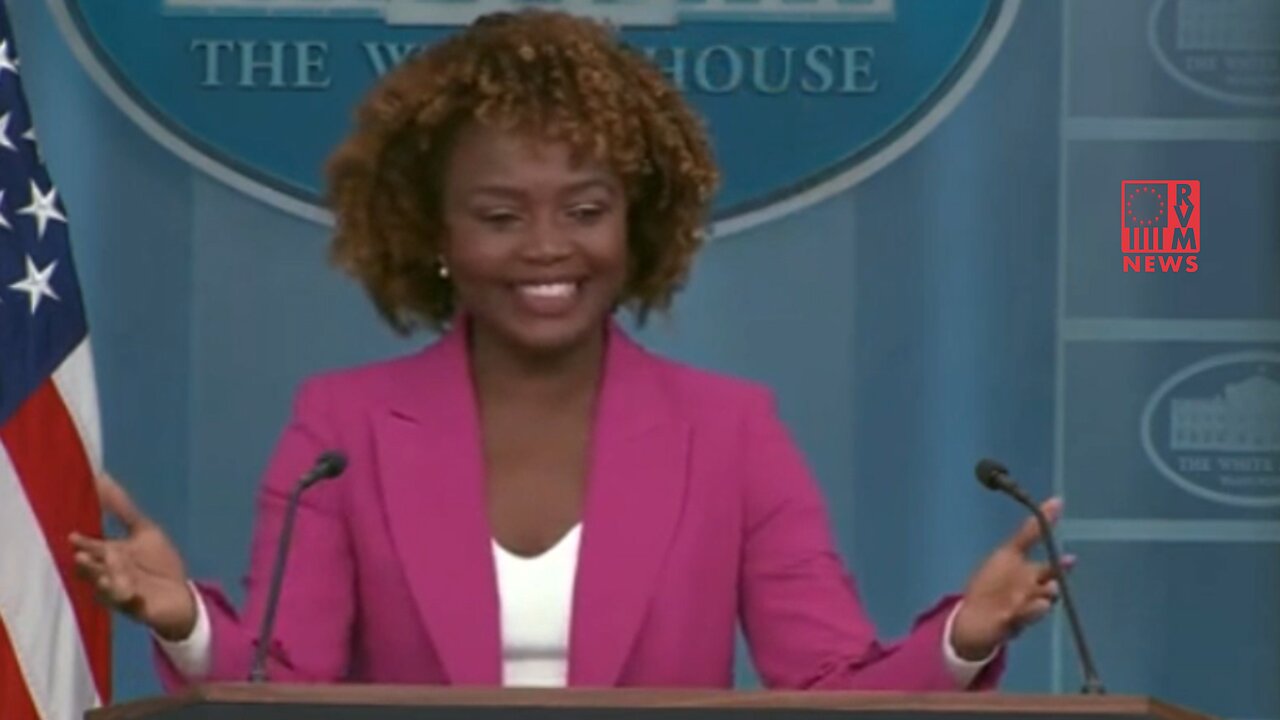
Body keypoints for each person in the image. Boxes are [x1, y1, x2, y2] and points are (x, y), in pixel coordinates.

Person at [71, 9, 1066, 690]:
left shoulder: (728, 431)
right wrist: (185, 622)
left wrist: (958, 639)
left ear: (638, 220)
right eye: (501, 215)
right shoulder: (343, 426)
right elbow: (283, 684)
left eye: (584, 210)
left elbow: (821, 685)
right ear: (437, 234)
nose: (548, 247)